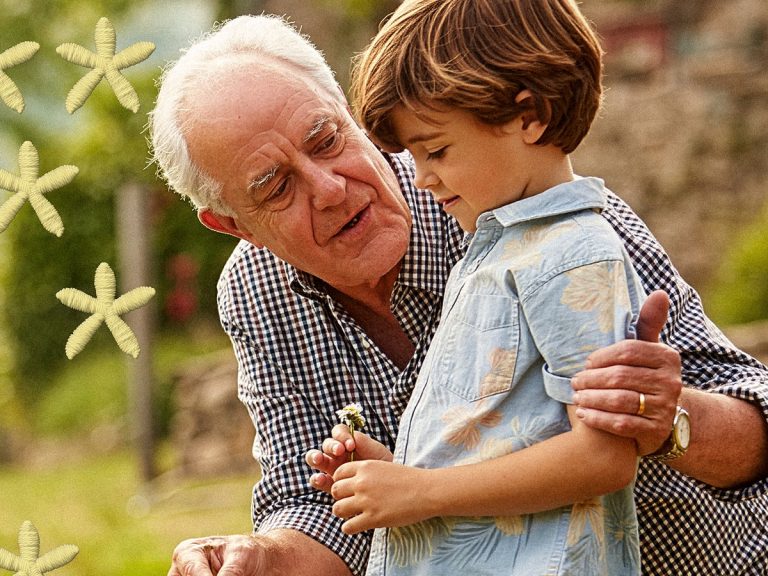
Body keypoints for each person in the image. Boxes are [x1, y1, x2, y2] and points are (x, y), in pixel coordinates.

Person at [147, 12, 768, 576]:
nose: (329, 187)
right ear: (233, 224)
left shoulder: (530, 210)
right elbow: (308, 505)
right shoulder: (256, 292)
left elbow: (754, 423)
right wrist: (263, 556)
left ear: (346, 109)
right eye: (276, 185)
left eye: (325, 140)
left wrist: (665, 420)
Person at [307, 0, 645, 573]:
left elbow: (604, 457)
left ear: (529, 116)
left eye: (435, 150)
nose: (422, 176)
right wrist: (398, 471)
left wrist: (422, 492)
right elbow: (508, 442)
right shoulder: (503, 245)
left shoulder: (572, 256)